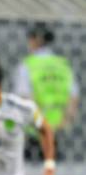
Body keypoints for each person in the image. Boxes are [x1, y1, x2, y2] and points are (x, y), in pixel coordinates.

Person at [13, 23, 79, 159]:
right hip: (56, 129)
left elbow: (25, 99)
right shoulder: (63, 65)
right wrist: (65, 122)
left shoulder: (27, 65)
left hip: (34, 131)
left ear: (36, 40)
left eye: (30, 38)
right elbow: (73, 98)